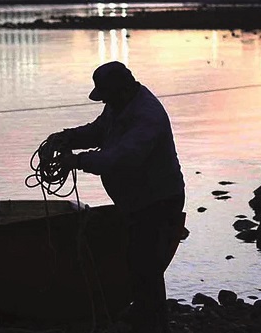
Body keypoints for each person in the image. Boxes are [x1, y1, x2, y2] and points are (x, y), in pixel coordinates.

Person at [42, 61, 186, 333]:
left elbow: (123, 159)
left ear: (120, 90)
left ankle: (153, 323)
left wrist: (77, 161)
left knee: (146, 265)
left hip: (158, 200)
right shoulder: (118, 106)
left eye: (107, 96)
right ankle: (145, 316)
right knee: (140, 261)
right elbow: (97, 131)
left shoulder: (147, 116)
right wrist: (65, 139)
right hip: (137, 200)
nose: (105, 102)